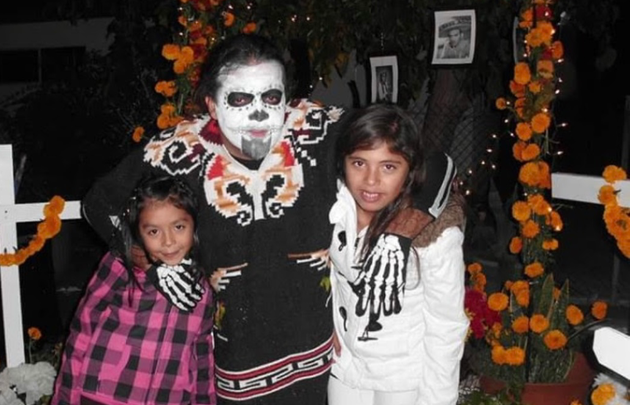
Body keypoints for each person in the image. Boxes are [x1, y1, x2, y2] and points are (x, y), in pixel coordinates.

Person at [82, 34, 455, 405]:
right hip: (237, 366)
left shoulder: (317, 128)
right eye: (240, 99)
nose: (259, 113)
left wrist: (396, 235)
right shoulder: (180, 149)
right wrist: (151, 263)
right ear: (212, 104)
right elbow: (99, 204)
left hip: (321, 361)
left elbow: (431, 162)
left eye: (272, 97)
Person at [327, 104, 468, 405]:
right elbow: (326, 275)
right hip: (345, 367)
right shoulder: (335, 209)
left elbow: (446, 326)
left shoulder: (435, 237)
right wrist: (325, 324)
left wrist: (437, 401)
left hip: (402, 378)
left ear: (409, 171)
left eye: (388, 167)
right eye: (359, 163)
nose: (371, 180)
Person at [53, 176, 215, 405]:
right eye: (154, 232)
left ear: (194, 225)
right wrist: (66, 397)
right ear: (138, 232)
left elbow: (202, 351)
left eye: (179, 227)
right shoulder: (121, 266)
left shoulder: (203, 284)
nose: (168, 241)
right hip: (104, 396)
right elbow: (83, 328)